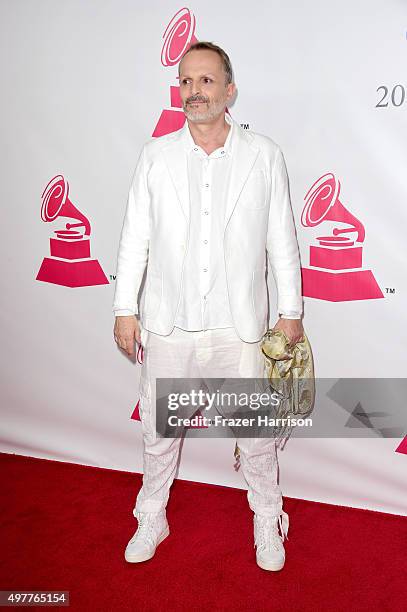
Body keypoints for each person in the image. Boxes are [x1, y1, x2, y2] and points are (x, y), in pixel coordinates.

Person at [112, 41, 304, 572]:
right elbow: (135, 238)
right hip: (168, 326)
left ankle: (268, 517)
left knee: (257, 438)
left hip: (240, 330)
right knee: (158, 433)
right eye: (186, 81)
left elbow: (282, 239)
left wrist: (291, 311)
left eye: (206, 81)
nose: (194, 91)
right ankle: (152, 513)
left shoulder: (263, 154)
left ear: (229, 89)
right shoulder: (155, 156)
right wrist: (124, 306)